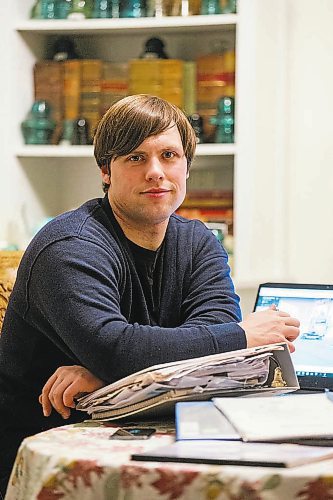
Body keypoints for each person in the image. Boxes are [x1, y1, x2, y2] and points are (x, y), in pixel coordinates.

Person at [0, 94, 300, 497]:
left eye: (169, 155)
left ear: (186, 167)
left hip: (158, 436)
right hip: (50, 457)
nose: (156, 172)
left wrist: (113, 379)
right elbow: (118, 347)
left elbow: (211, 358)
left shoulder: (197, 242)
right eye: (136, 158)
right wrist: (244, 335)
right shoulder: (69, 245)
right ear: (106, 171)